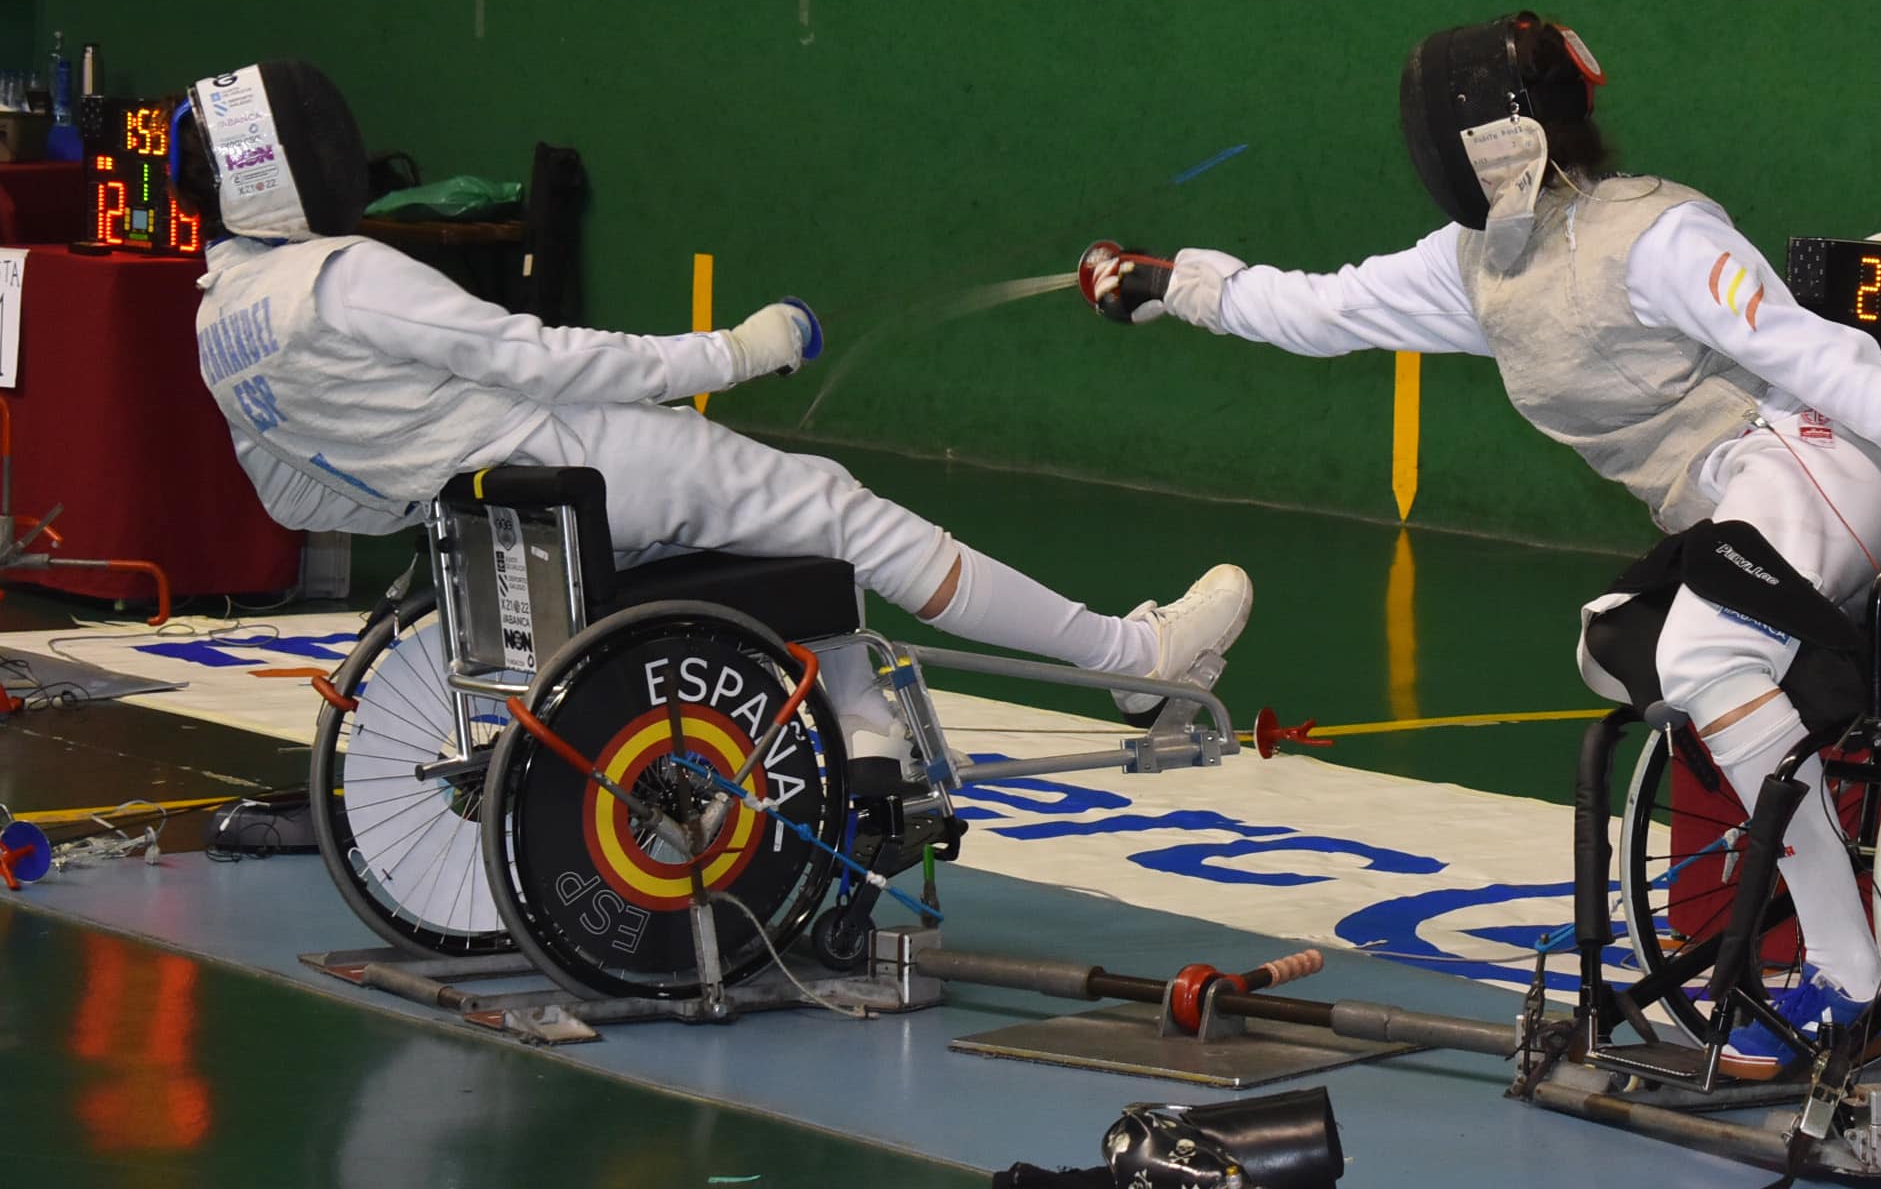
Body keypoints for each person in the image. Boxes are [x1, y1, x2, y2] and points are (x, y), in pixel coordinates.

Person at [1082, 12, 1881, 1078]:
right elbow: (1316, 307)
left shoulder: (1655, 238)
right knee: (1613, 643)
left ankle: (1858, 980)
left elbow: (1820, 353)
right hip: (1727, 503)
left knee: (1704, 655)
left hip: (1814, 459)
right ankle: (1838, 726)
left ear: (1496, 135)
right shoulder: (1479, 262)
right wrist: (1168, 285)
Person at [179, 59, 1250, 764]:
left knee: (775, 531)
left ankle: (859, 730)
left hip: (482, 515)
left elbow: (291, 487)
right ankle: (1128, 662)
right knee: (841, 512)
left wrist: (429, 468)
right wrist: (737, 350)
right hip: (573, 467)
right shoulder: (343, 276)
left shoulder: (222, 313)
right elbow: (549, 358)